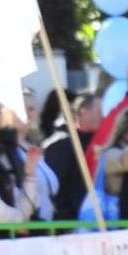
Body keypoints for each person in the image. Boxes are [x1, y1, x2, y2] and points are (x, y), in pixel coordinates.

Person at [42, 93, 99, 221]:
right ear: (83, 112)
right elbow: (55, 188)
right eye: (99, 111)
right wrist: (67, 221)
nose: (103, 115)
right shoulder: (61, 144)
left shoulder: (98, 141)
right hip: (71, 222)